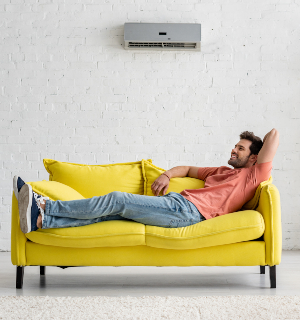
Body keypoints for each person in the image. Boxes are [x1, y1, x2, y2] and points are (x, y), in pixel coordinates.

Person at [13, 129, 279, 234]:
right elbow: (186, 167)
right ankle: (41, 222)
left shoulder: (252, 176)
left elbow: (274, 136)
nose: (234, 150)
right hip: (174, 204)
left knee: (117, 198)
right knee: (112, 215)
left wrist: (257, 146)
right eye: (235, 146)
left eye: (241, 149)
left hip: (188, 212)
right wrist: (166, 174)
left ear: (254, 158)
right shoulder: (220, 171)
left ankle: (48, 206)